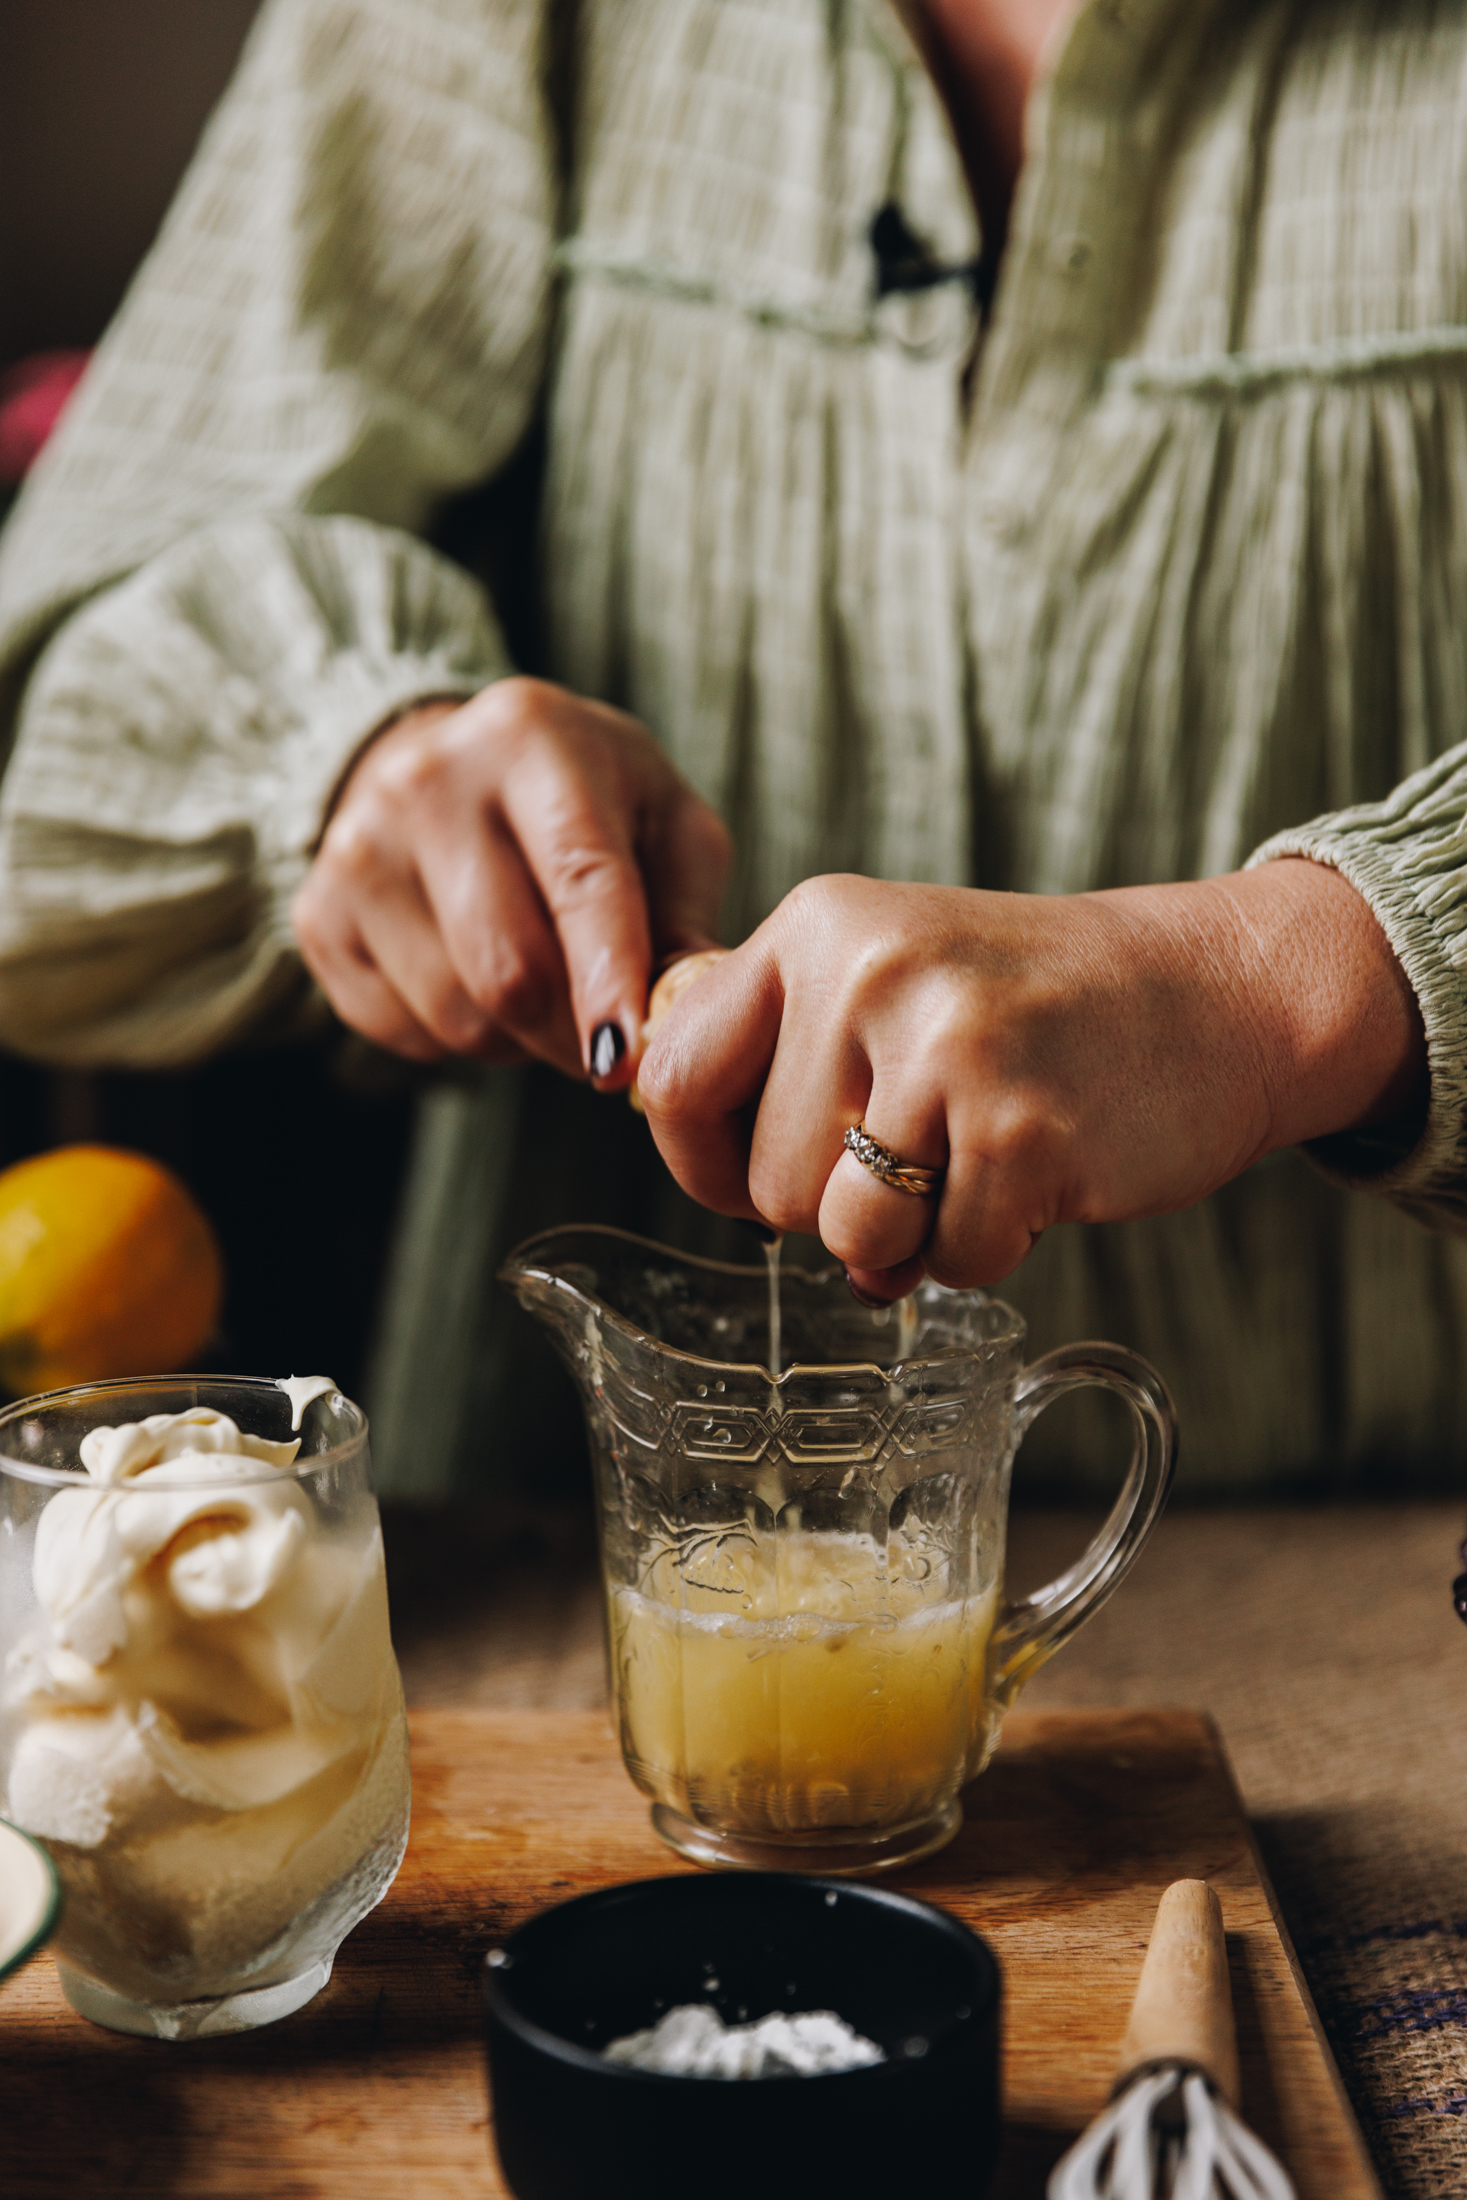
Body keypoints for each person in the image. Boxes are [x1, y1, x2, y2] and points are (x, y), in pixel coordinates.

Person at [0, 0, 1462, 1498]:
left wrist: (1290, 983)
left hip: (1377, 1600)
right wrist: (347, 753)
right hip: (554, 1590)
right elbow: (42, 725)